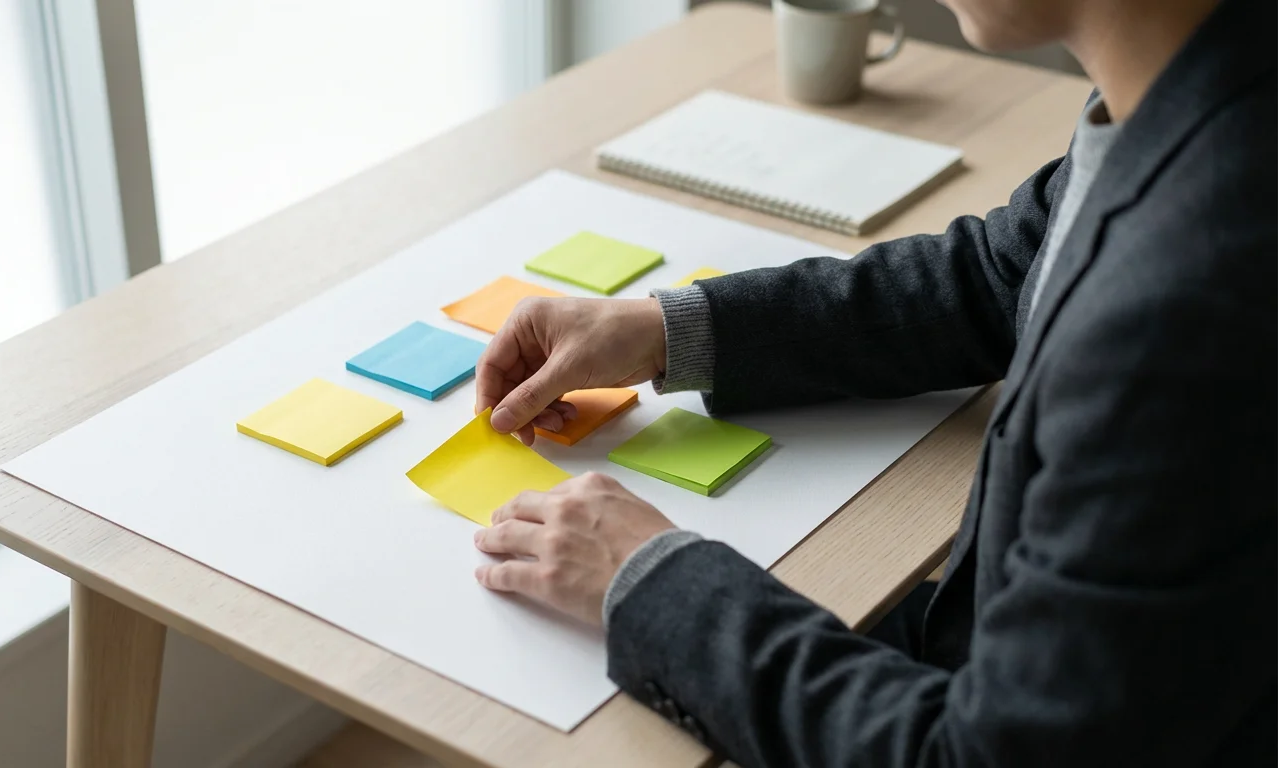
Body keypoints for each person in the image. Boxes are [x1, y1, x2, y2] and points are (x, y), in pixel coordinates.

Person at [470, 0, 1275, 764]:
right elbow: (1000, 274)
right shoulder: (1199, 86)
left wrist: (650, 580)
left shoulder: (1187, 307)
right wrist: (667, 331)